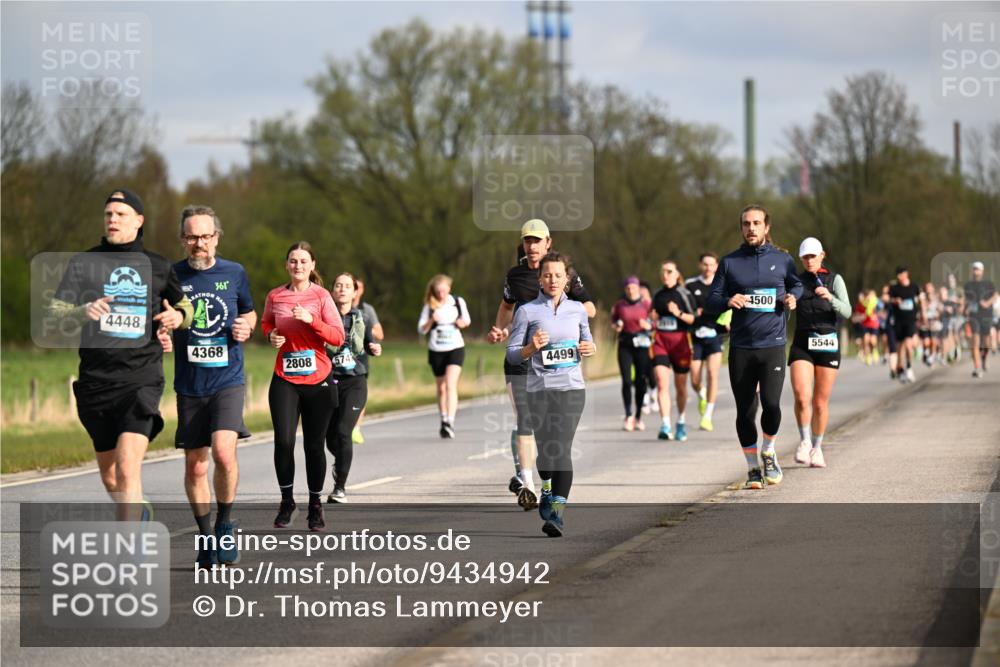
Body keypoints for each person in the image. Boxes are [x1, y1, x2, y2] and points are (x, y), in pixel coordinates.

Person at [47, 189, 193, 518]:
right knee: (112, 478)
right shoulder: (83, 263)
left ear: (138, 221)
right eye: (108, 214)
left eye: (120, 214)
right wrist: (82, 311)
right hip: (96, 381)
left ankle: (130, 547)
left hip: (140, 379)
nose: (112, 219)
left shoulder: (157, 265)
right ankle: (139, 514)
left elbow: (186, 306)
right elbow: (55, 314)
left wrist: (178, 317)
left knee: (127, 469)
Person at [158, 205, 255, 568]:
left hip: (228, 378)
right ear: (182, 240)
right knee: (196, 466)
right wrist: (162, 333)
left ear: (216, 237)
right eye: (191, 237)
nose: (199, 243)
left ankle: (225, 524)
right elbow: (160, 317)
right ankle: (205, 537)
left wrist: (247, 326)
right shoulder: (171, 275)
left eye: (205, 236)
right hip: (190, 384)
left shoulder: (234, 272)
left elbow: (248, 311)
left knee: (224, 454)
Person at [487, 219, 595, 510]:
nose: (532, 246)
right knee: (525, 418)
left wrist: (562, 315)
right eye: (527, 240)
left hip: (555, 367)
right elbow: (506, 307)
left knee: (547, 433)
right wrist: (501, 330)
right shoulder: (515, 275)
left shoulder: (562, 273)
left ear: (548, 243)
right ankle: (527, 483)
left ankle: (541, 484)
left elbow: (589, 308)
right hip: (522, 355)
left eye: (537, 241)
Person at [705, 204, 803, 489]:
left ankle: (768, 451)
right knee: (745, 411)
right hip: (742, 347)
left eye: (756, 223)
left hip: (772, 344)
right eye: (746, 224)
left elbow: (796, 285)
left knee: (771, 404)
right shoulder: (729, 262)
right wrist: (728, 300)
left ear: (766, 227)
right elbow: (711, 300)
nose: (751, 228)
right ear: (741, 228)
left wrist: (793, 297)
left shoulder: (783, 260)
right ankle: (752, 468)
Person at [506, 252, 595, 537]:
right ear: (539, 279)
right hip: (539, 390)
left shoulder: (578, 310)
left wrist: (590, 348)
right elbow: (512, 355)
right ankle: (545, 487)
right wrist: (531, 348)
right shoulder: (527, 311)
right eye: (547, 275)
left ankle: (557, 514)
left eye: (558, 275)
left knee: (562, 449)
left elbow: (587, 340)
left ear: (567, 279)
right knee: (546, 452)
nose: (553, 280)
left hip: (571, 389)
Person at [262, 242, 345, 531]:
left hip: (318, 380)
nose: (298, 266)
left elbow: (338, 337)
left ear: (312, 265)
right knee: (284, 441)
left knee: (313, 445)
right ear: (287, 264)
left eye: (303, 261)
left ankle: (315, 504)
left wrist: (312, 320)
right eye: (293, 261)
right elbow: (267, 324)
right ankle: (287, 501)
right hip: (285, 378)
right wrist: (271, 336)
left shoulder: (321, 296)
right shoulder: (276, 295)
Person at [788, 238, 851, 469]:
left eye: (812, 256)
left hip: (827, 342)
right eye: (805, 257)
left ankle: (817, 447)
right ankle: (804, 441)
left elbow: (847, 311)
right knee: (801, 396)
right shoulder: (796, 280)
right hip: (803, 342)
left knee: (820, 402)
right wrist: (788, 301)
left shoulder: (835, 280)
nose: (809, 260)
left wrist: (831, 298)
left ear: (822, 255)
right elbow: (785, 301)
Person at [325, 272, 382, 503]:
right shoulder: (323, 316)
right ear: (332, 290)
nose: (342, 289)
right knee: (329, 438)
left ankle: (340, 487)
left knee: (343, 431)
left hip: (355, 382)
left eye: (347, 286)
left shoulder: (362, 317)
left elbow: (369, 342)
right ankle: (342, 461)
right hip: (328, 381)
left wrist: (374, 348)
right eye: (338, 285)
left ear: (354, 292)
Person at [418, 274, 471, 438]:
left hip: (455, 347)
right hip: (436, 350)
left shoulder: (457, 302)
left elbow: (467, 320)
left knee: (450, 384)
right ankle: (443, 418)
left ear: (449, 288)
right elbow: (421, 329)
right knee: (441, 388)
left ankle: (450, 421)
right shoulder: (430, 306)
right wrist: (431, 320)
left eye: (444, 290)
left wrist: (462, 323)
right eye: (438, 291)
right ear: (434, 290)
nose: (441, 293)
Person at [650, 261, 697, 441]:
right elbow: (653, 316)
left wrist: (678, 313)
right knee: (662, 382)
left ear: (677, 274)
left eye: (669, 271)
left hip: (680, 343)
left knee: (680, 386)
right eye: (663, 272)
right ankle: (665, 425)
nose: (665, 275)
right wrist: (653, 317)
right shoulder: (658, 294)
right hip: (661, 341)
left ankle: (681, 422)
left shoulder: (684, 294)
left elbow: (694, 319)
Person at [685, 252, 730, 432]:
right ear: (700, 265)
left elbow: (729, 306)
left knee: (712, 373)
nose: (708, 268)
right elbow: (684, 305)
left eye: (711, 264)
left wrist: (728, 321)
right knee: (694, 378)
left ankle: (707, 416)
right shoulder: (690, 285)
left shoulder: (723, 285)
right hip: (696, 336)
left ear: (716, 266)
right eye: (705, 264)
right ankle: (701, 393)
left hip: (715, 335)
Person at [610, 276, 652, 431]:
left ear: (638, 288)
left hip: (642, 344)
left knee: (641, 381)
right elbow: (613, 321)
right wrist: (617, 326)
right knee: (627, 381)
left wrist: (648, 325)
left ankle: (638, 416)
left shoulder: (647, 304)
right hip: (625, 344)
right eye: (628, 288)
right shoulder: (620, 305)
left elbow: (655, 322)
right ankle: (628, 415)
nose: (630, 290)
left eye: (633, 287)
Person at [350, 278, 383, 444]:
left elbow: (380, 334)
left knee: (359, 394)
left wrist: (363, 326)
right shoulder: (335, 306)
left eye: (359, 287)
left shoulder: (367, 309)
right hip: (339, 359)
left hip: (361, 358)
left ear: (360, 291)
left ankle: (356, 428)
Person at [889, 266, 922, 383]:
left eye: (901, 274)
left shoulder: (914, 286)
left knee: (908, 344)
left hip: (911, 320)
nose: (899, 276)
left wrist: (923, 314)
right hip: (898, 321)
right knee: (900, 348)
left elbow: (921, 300)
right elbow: (888, 299)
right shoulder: (894, 288)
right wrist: (895, 301)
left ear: (906, 274)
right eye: (897, 274)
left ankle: (909, 367)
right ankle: (901, 369)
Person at [964, 261, 997, 378]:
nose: (976, 271)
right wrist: (965, 309)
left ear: (982, 271)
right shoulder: (968, 285)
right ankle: (977, 368)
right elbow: (967, 299)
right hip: (974, 316)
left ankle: (984, 357)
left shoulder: (988, 284)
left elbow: (995, 296)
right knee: (975, 342)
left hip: (986, 315)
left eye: (978, 269)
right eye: (974, 269)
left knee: (986, 342)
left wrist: (987, 303)